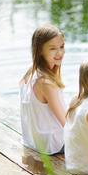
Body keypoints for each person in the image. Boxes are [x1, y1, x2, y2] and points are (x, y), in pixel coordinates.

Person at [19, 24, 67, 155]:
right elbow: (66, 123)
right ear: (40, 50)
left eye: (62, 47)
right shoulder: (46, 83)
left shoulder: (31, 72)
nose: (60, 53)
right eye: (53, 49)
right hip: (53, 144)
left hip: (33, 141)